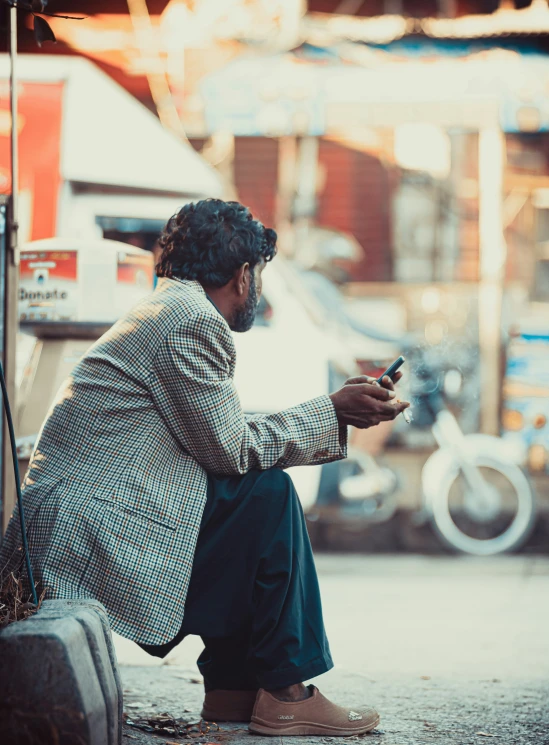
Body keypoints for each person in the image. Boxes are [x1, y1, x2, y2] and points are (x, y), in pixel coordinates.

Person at [0, 199, 409, 736]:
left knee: (249, 499)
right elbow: (232, 450)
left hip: (87, 519)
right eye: (258, 276)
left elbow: (220, 440)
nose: (257, 290)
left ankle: (235, 692)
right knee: (267, 496)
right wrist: (333, 411)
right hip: (87, 532)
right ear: (243, 276)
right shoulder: (189, 321)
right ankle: (286, 691)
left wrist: (331, 410)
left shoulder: (167, 309)